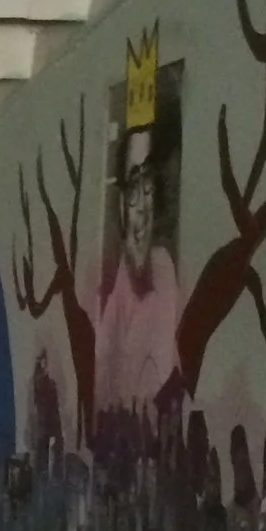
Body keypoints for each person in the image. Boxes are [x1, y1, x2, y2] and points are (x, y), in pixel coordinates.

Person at [96, 125, 180, 410]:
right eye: (134, 190)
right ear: (120, 204)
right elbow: (102, 364)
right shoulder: (121, 276)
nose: (143, 206)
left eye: (149, 190)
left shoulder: (164, 273)